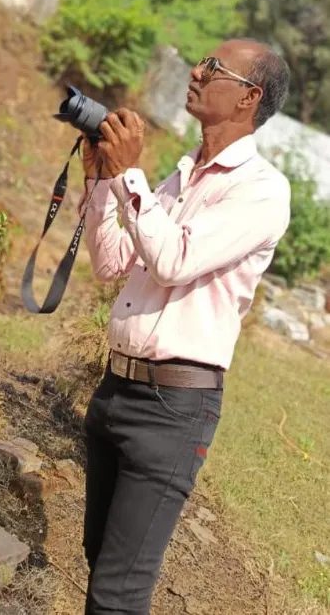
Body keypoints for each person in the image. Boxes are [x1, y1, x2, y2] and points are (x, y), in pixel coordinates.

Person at [80, 39, 291, 615]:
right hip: (116, 388)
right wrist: (102, 183)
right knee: (100, 560)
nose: (196, 71)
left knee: (118, 594)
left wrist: (129, 178)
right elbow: (110, 264)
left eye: (213, 68)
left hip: (173, 409)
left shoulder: (262, 190)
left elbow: (173, 261)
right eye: (201, 61)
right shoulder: (177, 178)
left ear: (250, 97)